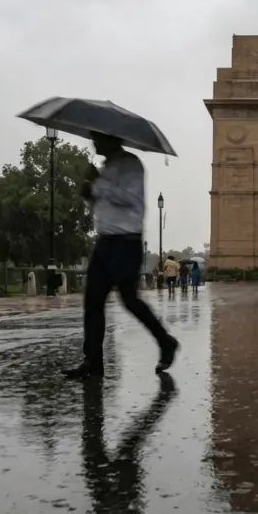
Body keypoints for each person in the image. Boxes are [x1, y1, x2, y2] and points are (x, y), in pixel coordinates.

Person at [66, 134, 178, 380]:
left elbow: (131, 199)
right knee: (92, 301)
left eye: (97, 138)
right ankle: (93, 360)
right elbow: (105, 206)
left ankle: (166, 341)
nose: (93, 143)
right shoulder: (105, 167)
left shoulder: (132, 165)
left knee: (130, 300)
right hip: (105, 240)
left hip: (126, 242)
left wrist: (98, 185)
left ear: (111, 139)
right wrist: (90, 195)